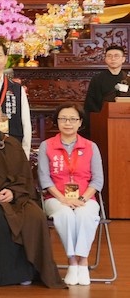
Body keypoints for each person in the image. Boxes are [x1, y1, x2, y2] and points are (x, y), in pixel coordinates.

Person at [0, 96, 65, 288]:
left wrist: (12, 192)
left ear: (2, 116)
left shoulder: (12, 144)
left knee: (35, 215)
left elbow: (24, 177)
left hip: (14, 196)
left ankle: (33, 270)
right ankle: (6, 273)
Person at [38, 103, 104, 286]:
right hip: (55, 198)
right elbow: (44, 179)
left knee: (85, 215)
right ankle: (72, 262)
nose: (68, 123)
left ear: (80, 122)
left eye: (73, 119)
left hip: (85, 198)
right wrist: (62, 198)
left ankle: (83, 261)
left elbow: (98, 180)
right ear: (57, 122)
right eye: (63, 119)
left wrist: (82, 199)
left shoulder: (91, 146)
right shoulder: (46, 146)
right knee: (65, 214)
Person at [83, 45, 129, 119]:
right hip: (102, 118)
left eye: (116, 56)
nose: (113, 59)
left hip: (125, 118)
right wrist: (101, 116)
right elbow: (90, 102)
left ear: (123, 59)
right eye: (109, 56)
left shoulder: (128, 79)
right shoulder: (97, 79)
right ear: (105, 59)